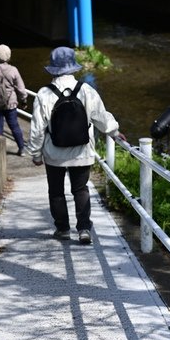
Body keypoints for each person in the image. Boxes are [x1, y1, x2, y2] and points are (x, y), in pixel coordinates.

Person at [26, 46, 120, 245]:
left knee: (56, 192)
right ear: (73, 68)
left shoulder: (44, 93)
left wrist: (35, 153)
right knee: (81, 189)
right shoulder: (86, 90)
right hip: (82, 151)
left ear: (52, 69)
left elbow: (37, 128)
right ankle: (84, 228)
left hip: (54, 153)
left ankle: (62, 229)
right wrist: (114, 131)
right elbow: (101, 117)